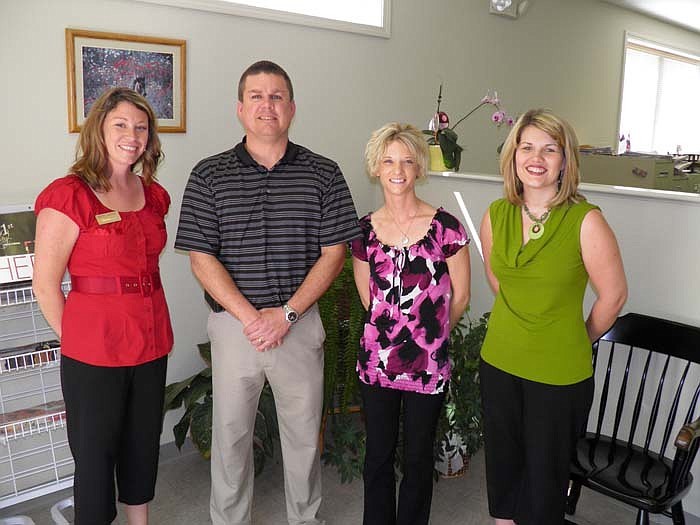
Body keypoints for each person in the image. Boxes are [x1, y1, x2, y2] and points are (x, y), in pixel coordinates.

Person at [175, 60, 360, 525]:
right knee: (231, 438)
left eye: (276, 96)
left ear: (292, 108)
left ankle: (305, 518)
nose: (267, 105)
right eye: (256, 96)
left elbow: (334, 253)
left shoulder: (324, 173)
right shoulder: (208, 174)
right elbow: (201, 257)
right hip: (236, 329)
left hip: (298, 329)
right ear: (240, 109)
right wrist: (253, 318)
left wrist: (288, 315)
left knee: (302, 437)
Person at [479, 109, 628, 525]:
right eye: (526, 147)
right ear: (513, 156)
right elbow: (499, 280)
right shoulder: (496, 213)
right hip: (499, 362)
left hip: (559, 374)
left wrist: (572, 338)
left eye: (550, 149)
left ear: (565, 160)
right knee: (503, 475)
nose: (536, 158)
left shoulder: (587, 221)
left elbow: (613, 298)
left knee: (545, 487)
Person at [33, 87, 173, 525]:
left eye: (141, 127)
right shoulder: (68, 195)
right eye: (121, 125)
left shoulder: (153, 195)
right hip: (94, 350)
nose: (132, 135)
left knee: (142, 443)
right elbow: (45, 284)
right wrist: (78, 340)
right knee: (95, 457)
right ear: (99, 129)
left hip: (151, 340)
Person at [351, 123, 471, 525]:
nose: (397, 169)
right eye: (388, 160)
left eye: (406, 160)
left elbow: (461, 297)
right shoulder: (364, 232)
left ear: (419, 166)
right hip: (377, 365)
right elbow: (370, 301)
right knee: (378, 458)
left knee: (419, 460)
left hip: (427, 368)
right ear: (376, 168)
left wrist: (430, 339)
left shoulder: (446, 228)